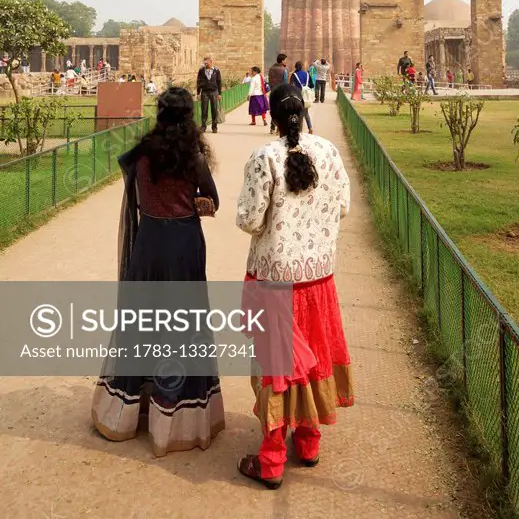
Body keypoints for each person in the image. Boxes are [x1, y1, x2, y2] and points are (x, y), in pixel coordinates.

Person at [91, 87, 225, 456]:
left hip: (148, 243)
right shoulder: (192, 158)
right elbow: (212, 201)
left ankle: (127, 411)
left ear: (160, 113)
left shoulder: (142, 154)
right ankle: (177, 419)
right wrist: (194, 202)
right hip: (183, 245)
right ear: (189, 117)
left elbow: (132, 189)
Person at [235, 83, 353, 489]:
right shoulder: (328, 152)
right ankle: (308, 441)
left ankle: (270, 460)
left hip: (273, 278)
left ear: (270, 114)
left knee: (276, 366)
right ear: (303, 112)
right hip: (318, 276)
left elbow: (250, 220)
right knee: (314, 356)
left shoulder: (264, 157)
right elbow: (344, 206)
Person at [197, 56, 222, 134]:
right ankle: (203, 126)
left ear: (211, 62)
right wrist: (198, 93)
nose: (206, 64)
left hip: (214, 92)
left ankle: (214, 127)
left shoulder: (216, 71)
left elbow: (219, 82)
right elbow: (198, 81)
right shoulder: (201, 70)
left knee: (214, 110)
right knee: (204, 110)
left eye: (207, 63)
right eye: (205, 63)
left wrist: (220, 94)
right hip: (204, 92)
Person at [268, 53, 289, 134]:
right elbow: (285, 82)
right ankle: (279, 128)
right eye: (285, 60)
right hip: (282, 93)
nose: (286, 61)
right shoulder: (284, 70)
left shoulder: (271, 69)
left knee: (274, 110)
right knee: (281, 111)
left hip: (273, 92)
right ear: (282, 61)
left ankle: (272, 128)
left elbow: (269, 81)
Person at [291, 60, 314, 133]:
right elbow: (312, 85)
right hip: (306, 96)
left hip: (297, 95)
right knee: (305, 112)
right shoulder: (307, 74)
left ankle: (298, 129)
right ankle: (310, 128)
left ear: (295, 67)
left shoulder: (294, 75)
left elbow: (291, 85)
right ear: (302, 67)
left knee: (295, 112)